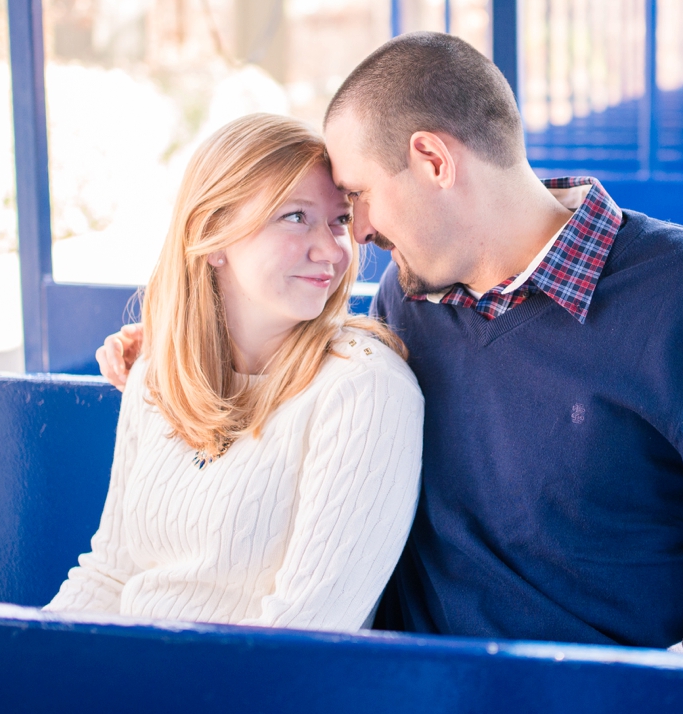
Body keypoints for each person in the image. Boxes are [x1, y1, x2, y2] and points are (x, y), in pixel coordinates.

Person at [99, 34, 683, 658]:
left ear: (435, 160)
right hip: (416, 702)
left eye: (360, 198)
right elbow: (301, 380)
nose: (361, 233)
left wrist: (682, 708)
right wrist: (176, 345)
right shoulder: (407, 301)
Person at [49, 114, 422, 631]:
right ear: (212, 235)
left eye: (339, 220)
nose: (332, 249)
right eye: (295, 217)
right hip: (127, 683)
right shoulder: (156, 377)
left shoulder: (364, 389)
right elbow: (111, 576)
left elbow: (306, 630)